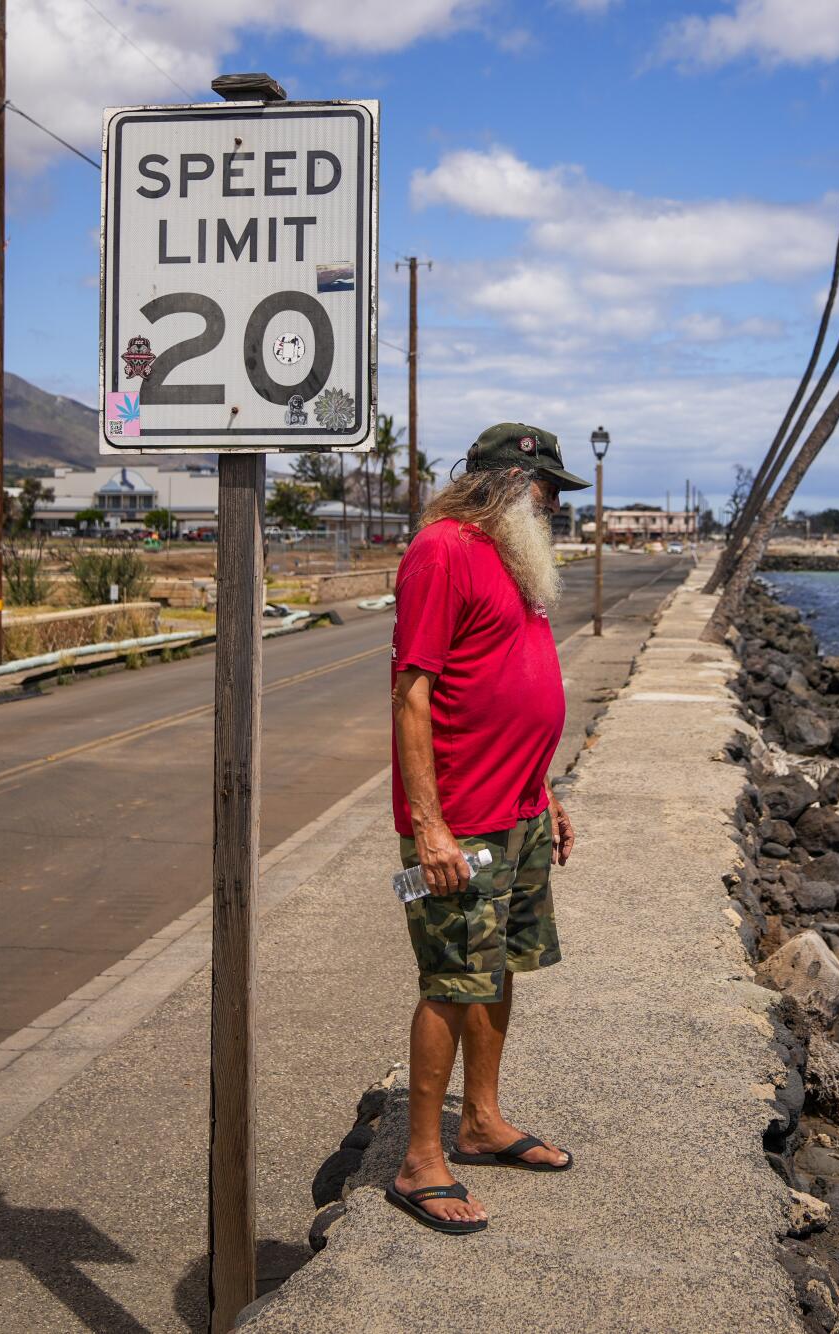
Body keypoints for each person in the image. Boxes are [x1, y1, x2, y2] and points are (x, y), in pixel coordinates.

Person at [386, 421, 591, 1234]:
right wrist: (429, 829)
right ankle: (417, 1162)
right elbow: (412, 691)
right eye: (546, 490)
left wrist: (547, 792)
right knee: (449, 976)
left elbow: (514, 685)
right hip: (461, 823)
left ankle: (481, 1121)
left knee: (499, 964)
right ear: (508, 484)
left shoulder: (513, 559)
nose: (554, 506)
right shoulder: (442, 550)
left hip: (523, 809)